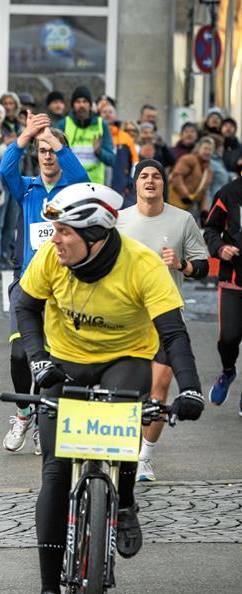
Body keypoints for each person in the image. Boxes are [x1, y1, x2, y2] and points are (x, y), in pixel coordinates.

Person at [13, 182, 204, 594]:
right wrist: (39, 360)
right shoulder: (51, 258)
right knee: (56, 472)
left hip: (126, 359)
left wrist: (191, 389)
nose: (53, 238)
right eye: (54, 230)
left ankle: (125, 499)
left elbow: (174, 335)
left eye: (63, 231)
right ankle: (47, 592)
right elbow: (24, 305)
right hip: (64, 363)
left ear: (94, 236)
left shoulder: (141, 265)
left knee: (122, 425)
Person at [115, 159, 208, 481]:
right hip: (126, 316)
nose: (150, 181)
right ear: (135, 184)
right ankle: (119, 447)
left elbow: (203, 265)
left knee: (160, 386)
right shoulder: (119, 220)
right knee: (124, 386)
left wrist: (181, 264)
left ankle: (145, 458)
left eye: (156, 176)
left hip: (167, 315)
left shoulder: (182, 219)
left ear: (163, 184)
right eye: (144, 176)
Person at [0, 112, 88, 453]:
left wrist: (52, 138)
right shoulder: (28, 189)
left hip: (65, 286)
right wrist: (26, 136)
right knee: (20, 356)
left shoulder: (74, 190)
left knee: (55, 359)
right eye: (42, 151)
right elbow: (6, 170)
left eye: (52, 150)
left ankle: (46, 418)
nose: (47, 155)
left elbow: (80, 173)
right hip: (28, 285)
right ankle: (24, 412)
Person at [203, 172, 242, 410]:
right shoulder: (229, 193)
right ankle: (228, 372)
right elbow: (210, 229)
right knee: (229, 337)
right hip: (233, 279)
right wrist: (220, 247)